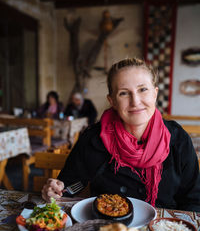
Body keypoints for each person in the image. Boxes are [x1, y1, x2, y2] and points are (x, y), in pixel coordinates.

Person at [42, 58, 200, 212]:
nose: (135, 101)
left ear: (155, 93)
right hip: (107, 229)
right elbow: (71, 186)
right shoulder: (93, 138)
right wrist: (57, 190)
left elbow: (194, 199)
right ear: (112, 101)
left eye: (143, 89)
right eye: (124, 93)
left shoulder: (178, 139)